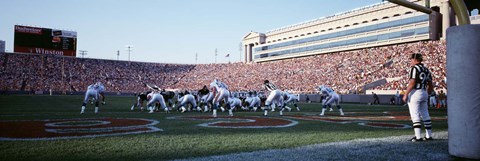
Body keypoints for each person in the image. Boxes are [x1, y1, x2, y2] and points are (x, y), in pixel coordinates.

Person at [402, 53, 434, 142]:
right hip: (424, 92)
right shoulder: (426, 69)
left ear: (415, 59)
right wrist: (427, 93)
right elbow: (431, 85)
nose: (411, 61)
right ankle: (429, 135)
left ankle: (418, 136)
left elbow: (412, 83)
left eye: (411, 59)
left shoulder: (414, 68)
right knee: (425, 114)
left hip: (416, 92)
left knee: (415, 115)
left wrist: (406, 94)